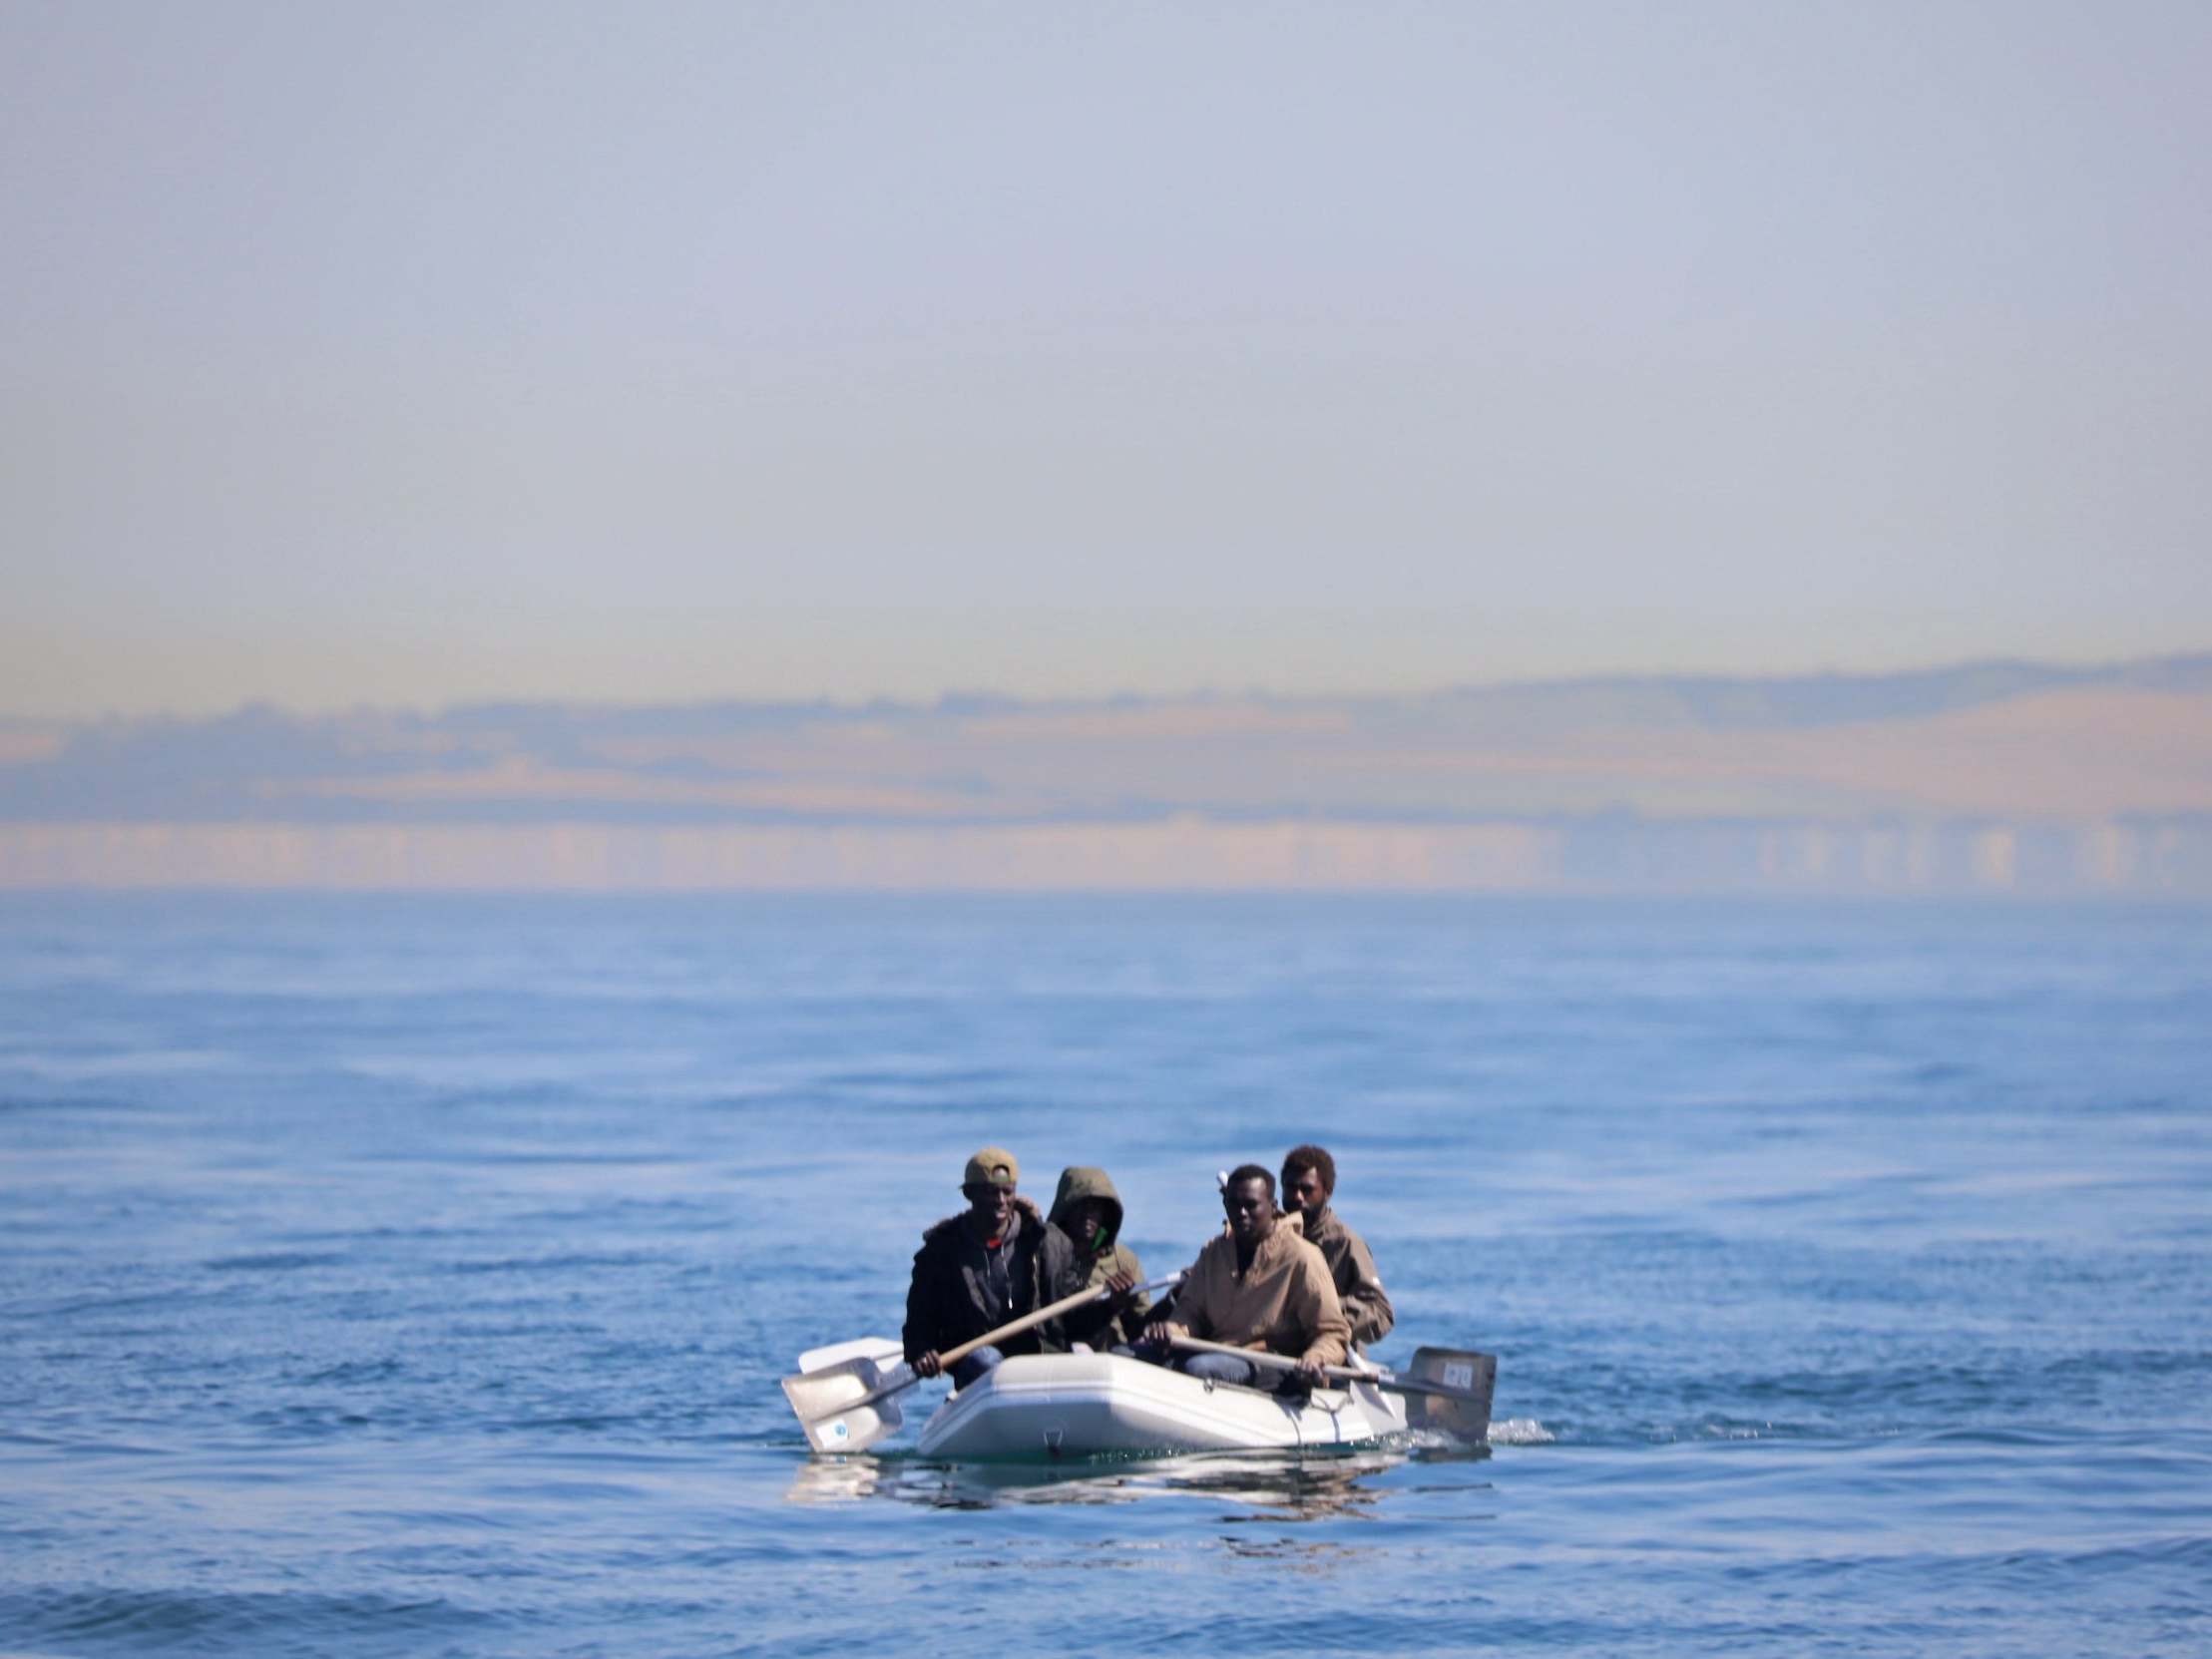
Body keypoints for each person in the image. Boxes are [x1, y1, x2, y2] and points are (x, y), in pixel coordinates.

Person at [1144, 1164, 1349, 1388]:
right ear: (1225, 1204)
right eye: (1234, 1204)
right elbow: (1190, 1312)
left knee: (1199, 1369)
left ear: (1272, 1207)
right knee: (1125, 1353)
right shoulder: (1214, 1251)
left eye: (1251, 1205)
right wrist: (1171, 1331)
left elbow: (1332, 1332)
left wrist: (1316, 1358)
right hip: (1216, 1350)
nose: (1242, 1213)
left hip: (1269, 1362)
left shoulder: (1302, 1257)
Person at [904, 1147, 1076, 1389]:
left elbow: (1075, 1316)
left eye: (1008, 1192)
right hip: (979, 1369)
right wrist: (922, 1352)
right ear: (969, 1194)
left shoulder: (1046, 1243)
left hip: (1038, 1363)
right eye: (991, 1192)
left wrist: (1111, 1305)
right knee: (985, 1360)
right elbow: (919, 1321)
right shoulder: (940, 1253)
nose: (1001, 1201)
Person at [1280, 1143, 1395, 1350]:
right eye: (1290, 1187)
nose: (1297, 1196)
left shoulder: (1346, 1244)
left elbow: (1382, 1314)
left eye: (1307, 1190)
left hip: (1330, 1358)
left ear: (1327, 1191)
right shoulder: (1270, 1237)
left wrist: (1323, 1309)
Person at [1048, 1165, 1150, 1351]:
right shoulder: (1047, 1259)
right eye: (1080, 1205)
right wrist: (1108, 1306)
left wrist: (1173, 1299)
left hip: (1114, 1358)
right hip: (1061, 1356)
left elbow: (1140, 1326)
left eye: (1095, 1207)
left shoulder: (1123, 1261)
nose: (1088, 1215)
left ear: (1106, 1213)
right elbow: (1057, 1324)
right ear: (1065, 1210)